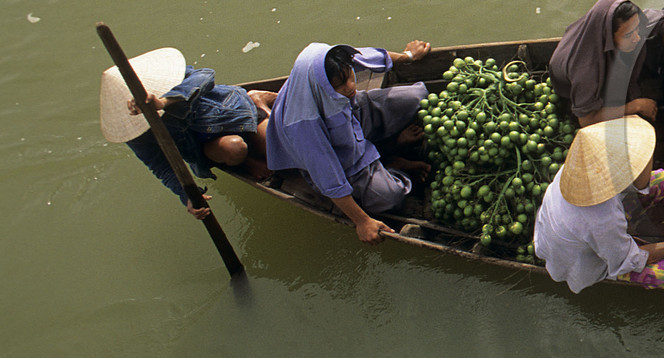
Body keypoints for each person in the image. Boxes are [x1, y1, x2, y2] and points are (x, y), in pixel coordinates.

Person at [264, 41, 434, 244]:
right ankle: (389, 161)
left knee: (417, 96)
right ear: (324, 88)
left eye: (349, 77)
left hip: (350, 115)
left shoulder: (326, 59)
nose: (351, 87)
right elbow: (328, 177)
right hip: (341, 157)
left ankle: (383, 151)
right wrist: (362, 221)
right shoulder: (303, 124)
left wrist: (409, 56)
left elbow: (369, 57)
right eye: (339, 86)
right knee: (390, 196)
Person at [534, 115, 664, 293]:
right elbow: (631, 259)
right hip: (587, 263)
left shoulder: (576, 171)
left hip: (584, 232)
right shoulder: (602, 220)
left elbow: (640, 183)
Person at [100, 47, 277, 220]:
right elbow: (161, 167)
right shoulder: (136, 133)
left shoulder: (169, 78)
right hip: (206, 146)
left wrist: (165, 102)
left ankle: (257, 100)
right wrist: (187, 196)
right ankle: (244, 161)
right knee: (235, 149)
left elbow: (206, 75)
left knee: (278, 147)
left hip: (232, 114)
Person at [548, 0, 664, 127]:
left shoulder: (631, 23)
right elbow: (586, 119)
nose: (637, 37)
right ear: (608, 36)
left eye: (637, 29)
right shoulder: (586, 68)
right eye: (628, 35)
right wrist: (634, 106)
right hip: (585, 90)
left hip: (615, 60)